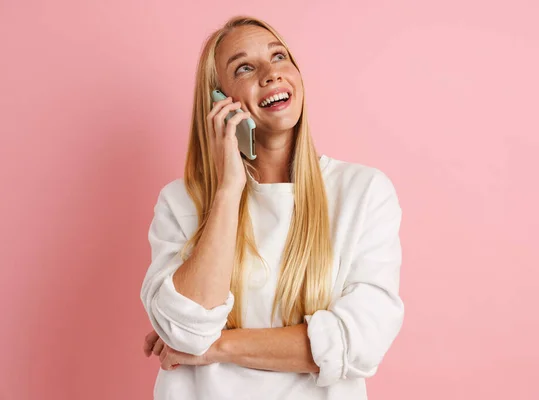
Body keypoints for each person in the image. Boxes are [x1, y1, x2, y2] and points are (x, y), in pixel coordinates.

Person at [140, 15, 405, 400]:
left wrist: (217, 347)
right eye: (245, 67)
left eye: (279, 57)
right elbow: (185, 330)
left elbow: (360, 341)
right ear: (218, 100)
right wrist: (228, 189)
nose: (271, 73)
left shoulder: (363, 193)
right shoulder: (180, 203)